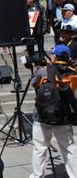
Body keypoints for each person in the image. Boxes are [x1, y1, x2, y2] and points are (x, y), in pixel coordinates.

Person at [30, 45, 77, 178]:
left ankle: (37, 175)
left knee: (39, 148)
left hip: (42, 117)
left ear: (55, 56)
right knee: (69, 149)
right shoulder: (73, 72)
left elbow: (34, 84)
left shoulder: (43, 71)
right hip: (64, 118)